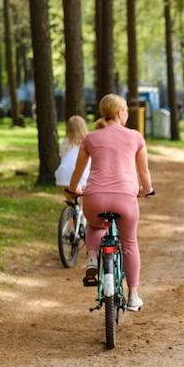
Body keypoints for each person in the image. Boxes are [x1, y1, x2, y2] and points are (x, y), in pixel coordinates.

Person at [68, 93, 154, 312]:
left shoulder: (91, 138)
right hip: (125, 198)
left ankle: (91, 259)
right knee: (129, 243)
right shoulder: (135, 137)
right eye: (125, 110)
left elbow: (79, 170)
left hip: (94, 197)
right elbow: (143, 170)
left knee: (95, 225)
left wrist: (73, 189)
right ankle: (133, 295)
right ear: (119, 112)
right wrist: (147, 190)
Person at [55, 115, 91, 202]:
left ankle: (70, 213)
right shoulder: (88, 143)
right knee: (84, 206)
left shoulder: (65, 142)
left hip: (62, 178)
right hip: (81, 180)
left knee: (71, 202)